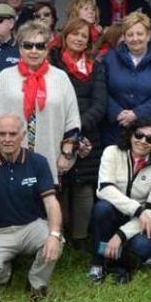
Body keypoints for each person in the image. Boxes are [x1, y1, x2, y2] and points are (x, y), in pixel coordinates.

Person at [0, 114, 64, 299]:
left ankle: (36, 283)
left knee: (56, 241)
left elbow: (51, 202)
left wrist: (53, 235)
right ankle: (5, 275)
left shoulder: (38, 162)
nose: (7, 139)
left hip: (30, 226)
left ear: (23, 135)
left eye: (12, 134)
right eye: (2, 134)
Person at [0, 21, 82, 182]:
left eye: (40, 46)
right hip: (8, 160)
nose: (34, 51)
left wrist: (66, 155)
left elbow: (72, 122)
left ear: (47, 48)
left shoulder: (61, 78)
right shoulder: (4, 76)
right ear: (20, 48)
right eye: (28, 46)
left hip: (51, 158)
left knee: (47, 204)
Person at [88, 119, 151, 283]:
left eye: (150, 139)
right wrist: (138, 210)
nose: (143, 141)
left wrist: (120, 235)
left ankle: (119, 260)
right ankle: (98, 263)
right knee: (101, 208)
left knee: (141, 247)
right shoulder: (111, 152)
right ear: (131, 135)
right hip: (116, 213)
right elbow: (105, 189)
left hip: (144, 221)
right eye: (139, 135)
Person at [49, 18, 108, 245]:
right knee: (59, 183)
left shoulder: (96, 67)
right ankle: (59, 234)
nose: (79, 38)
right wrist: (64, 129)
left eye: (84, 36)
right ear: (65, 36)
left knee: (83, 184)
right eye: (75, 33)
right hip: (56, 130)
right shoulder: (52, 62)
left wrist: (76, 127)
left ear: (89, 42)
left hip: (87, 132)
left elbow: (100, 104)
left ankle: (80, 238)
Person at [101, 11, 151, 145]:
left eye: (140, 34)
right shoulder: (109, 59)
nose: (135, 38)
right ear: (124, 37)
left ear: (148, 36)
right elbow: (101, 90)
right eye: (130, 34)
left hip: (149, 133)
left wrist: (136, 114)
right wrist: (118, 113)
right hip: (115, 129)